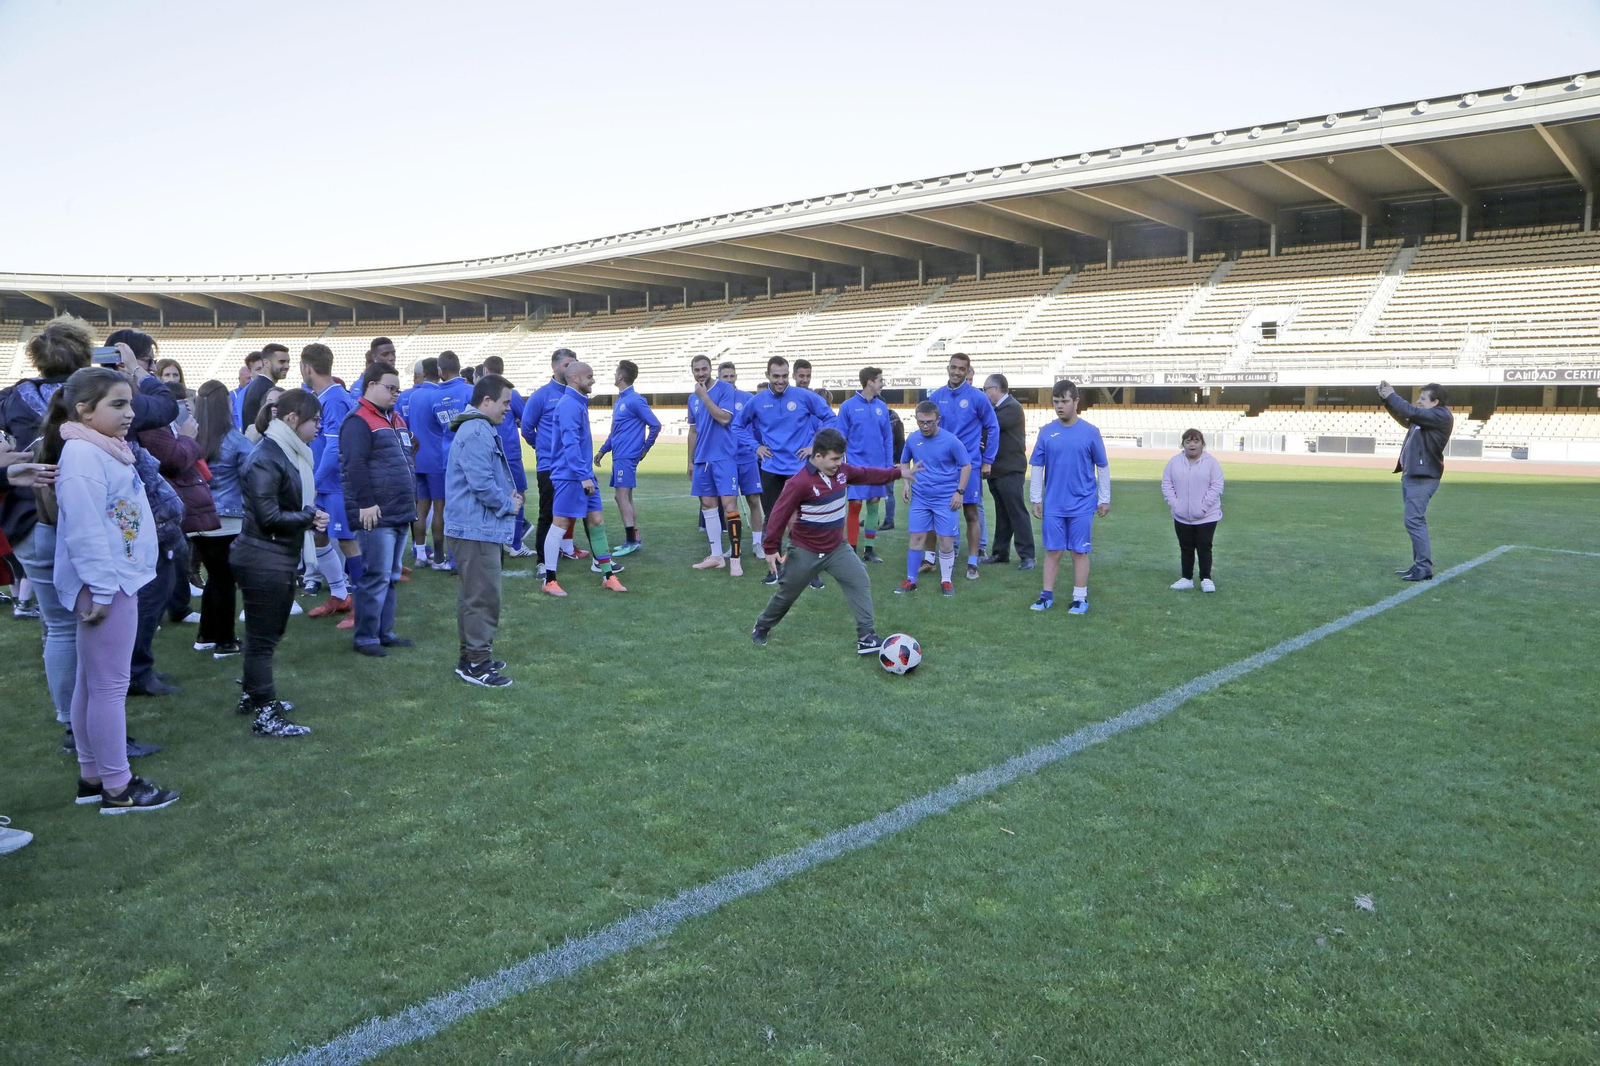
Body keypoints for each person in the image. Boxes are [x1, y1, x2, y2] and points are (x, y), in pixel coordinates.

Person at [51, 367, 180, 811]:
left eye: (130, 403)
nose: (130, 413)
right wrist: (103, 592)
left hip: (114, 579)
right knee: (109, 686)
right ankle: (118, 787)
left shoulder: (103, 450)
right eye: (117, 405)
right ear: (84, 410)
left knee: (92, 683)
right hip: (107, 585)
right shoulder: (85, 458)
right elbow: (84, 533)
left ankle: (94, 776)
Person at [752, 427, 908, 653]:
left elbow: (866, 474)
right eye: (834, 458)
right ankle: (762, 625)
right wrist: (769, 547)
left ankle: (866, 636)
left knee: (859, 579)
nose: (839, 462)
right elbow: (778, 513)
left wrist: (898, 473)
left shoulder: (843, 471)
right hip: (805, 551)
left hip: (837, 548)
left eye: (841, 458)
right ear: (817, 456)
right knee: (787, 594)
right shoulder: (799, 482)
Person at [230, 388, 324, 735]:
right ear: (292, 419)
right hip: (263, 558)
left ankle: (255, 696)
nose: (319, 427)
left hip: (270, 556)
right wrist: (308, 517)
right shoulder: (267, 457)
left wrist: (307, 515)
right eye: (314, 420)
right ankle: (266, 713)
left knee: (263, 637)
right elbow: (269, 515)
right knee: (263, 640)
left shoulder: (283, 452)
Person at [732, 355, 836, 586]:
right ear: (767, 375)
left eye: (784, 376)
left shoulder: (804, 396)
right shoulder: (757, 401)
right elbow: (738, 425)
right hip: (771, 468)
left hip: (799, 469)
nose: (780, 381)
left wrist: (815, 447)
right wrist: (755, 446)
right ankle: (774, 569)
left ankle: (811, 572)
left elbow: (831, 418)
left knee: (805, 520)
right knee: (774, 519)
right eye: (776, 376)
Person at [444, 374, 520, 686]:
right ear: (486, 401)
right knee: (483, 597)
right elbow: (482, 484)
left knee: (474, 596)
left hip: (474, 527)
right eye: (504, 403)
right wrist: (508, 504)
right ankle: (477, 663)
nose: (507, 410)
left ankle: (471, 657)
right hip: (475, 529)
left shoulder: (477, 427)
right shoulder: (476, 430)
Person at [340, 362, 418, 657]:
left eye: (398, 389)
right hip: (377, 512)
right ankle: (366, 637)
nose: (396, 393)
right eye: (390, 388)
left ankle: (383, 632)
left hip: (397, 510)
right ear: (371, 386)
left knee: (391, 576)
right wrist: (366, 503)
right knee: (375, 576)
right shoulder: (358, 420)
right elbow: (354, 464)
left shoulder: (394, 418)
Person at [543, 361, 626, 595]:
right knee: (559, 524)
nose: (593, 380)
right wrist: (582, 475)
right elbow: (569, 444)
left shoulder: (577, 402)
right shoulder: (569, 404)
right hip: (570, 477)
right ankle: (549, 580)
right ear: (575, 379)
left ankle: (608, 575)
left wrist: (588, 474)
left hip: (581, 475)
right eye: (589, 377)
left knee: (596, 521)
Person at [1029, 379, 1109, 614]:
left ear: (1076, 401)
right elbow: (1036, 466)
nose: (1059, 406)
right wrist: (1036, 499)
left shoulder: (1090, 432)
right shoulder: (1046, 432)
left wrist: (1104, 498)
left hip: (1082, 503)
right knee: (1053, 550)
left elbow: (1102, 466)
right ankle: (1046, 596)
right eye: (1056, 402)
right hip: (1054, 503)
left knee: (1079, 551)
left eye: (1064, 401)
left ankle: (1080, 598)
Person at [300, 343, 362, 621]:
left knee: (348, 542)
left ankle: (361, 606)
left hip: (335, 485)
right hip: (326, 485)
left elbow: (335, 447)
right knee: (319, 537)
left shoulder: (334, 399)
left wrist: (313, 481)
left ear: (307, 368)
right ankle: (340, 595)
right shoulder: (325, 397)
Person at [191, 380, 252, 654]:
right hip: (227, 519)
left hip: (196, 518)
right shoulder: (235, 439)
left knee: (215, 577)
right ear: (224, 405)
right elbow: (254, 472)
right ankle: (225, 641)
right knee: (225, 580)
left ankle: (206, 635)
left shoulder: (191, 437)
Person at [927, 352, 999, 581]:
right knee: (939, 512)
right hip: (943, 467)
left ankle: (973, 562)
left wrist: (988, 459)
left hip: (970, 465)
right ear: (948, 368)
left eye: (962, 369)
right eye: (954, 367)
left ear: (968, 371)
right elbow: (929, 429)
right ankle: (941, 555)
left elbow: (992, 426)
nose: (957, 372)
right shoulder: (937, 396)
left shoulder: (978, 397)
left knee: (970, 513)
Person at [521, 348, 586, 582]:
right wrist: (542, 448)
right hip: (549, 466)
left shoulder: (578, 395)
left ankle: (572, 550)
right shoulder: (541, 395)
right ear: (555, 367)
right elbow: (527, 428)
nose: (571, 369)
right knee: (547, 513)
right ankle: (542, 561)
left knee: (579, 510)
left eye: (574, 365)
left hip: (574, 467)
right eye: (567, 364)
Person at [1379, 380, 1453, 581]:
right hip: (1413, 475)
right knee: (1414, 521)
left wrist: (1393, 395)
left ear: (1435, 401)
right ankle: (1419, 565)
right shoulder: (1426, 418)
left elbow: (1412, 413)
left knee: (1413, 520)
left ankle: (1423, 568)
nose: (1418, 401)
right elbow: (1405, 418)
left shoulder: (1440, 416)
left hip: (1423, 477)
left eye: (1422, 398)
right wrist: (1386, 400)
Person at [895, 401, 970, 596]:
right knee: (917, 538)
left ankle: (946, 581)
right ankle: (911, 580)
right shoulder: (913, 439)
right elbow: (904, 460)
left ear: (938, 420)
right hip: (920, 498)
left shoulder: (951, 441)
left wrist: (959, 492)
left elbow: (966, 465)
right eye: (921, 422)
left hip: (946, 499)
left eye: (929, 422)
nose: (925, 426)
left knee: (945, 541)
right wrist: (905, 482)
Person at [411, 351, 472, 571]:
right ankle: (438, 558)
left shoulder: (409, 396)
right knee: (440, 510)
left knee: (421, 508)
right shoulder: (437, 395)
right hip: (438, 458)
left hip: (417, 458)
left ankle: (419, 554)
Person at [686, 354, 745, 575]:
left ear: (710, 369)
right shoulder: (692, 398)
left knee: (729, 505)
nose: (700, 373)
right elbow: (693, 431)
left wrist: (703, 396)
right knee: (707, 505)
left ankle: (736, 559)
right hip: (702, 459)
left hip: (724, 457)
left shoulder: (725, 390)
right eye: (696, 370)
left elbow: (724, 418)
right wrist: (690, 460)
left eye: (703, 369)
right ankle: (716, 556)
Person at [593, 358, 660, 556]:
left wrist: (645, 448)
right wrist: (603, 450)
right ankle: (634, 538)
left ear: (621, 376)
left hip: (627, 456)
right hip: (619, 455)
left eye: (616, 372)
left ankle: (631, 540)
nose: (614, 375)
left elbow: (655, 425)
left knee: (621, 496)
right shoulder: (621, 401)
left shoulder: (634, 400)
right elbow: (615, 432)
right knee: (625, 496)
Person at [836, 366, 893, 563]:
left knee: (874, 505)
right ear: (870, 382)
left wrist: (887, 466)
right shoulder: (848, 406)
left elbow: (887, 439)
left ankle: (869, 550)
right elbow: (840, 437)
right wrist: (841, 465)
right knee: (855, 506)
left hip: (877, 467)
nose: (882, 384)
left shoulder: (882, 407)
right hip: (856, 466)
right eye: (880, 380)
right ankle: (851, 550)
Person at [980, 373, 1036, 571]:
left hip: (1010, 470)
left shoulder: (1010, 408)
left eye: (985, 389)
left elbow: (989, 427)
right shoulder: (1002, 408)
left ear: (995, 389)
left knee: (1017, 512)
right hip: (998, 470)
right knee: (1002, 513)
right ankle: (1000, 552)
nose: (984, 392)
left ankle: (1028, 555)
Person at [479, 356, 533, 557]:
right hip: (509, 452)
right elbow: (526, 419)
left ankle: (497, 540)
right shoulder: (512, 393)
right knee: (518, 495)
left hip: (485, 451)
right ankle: (515, 544)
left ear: (485, 370)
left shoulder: (479, 394)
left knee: (491, 495)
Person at [1161, 429, 1224, 592]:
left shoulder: (1211, 462)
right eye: (1188, 442)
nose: (1192, 445)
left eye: (1195, 441)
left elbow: (1216, 486)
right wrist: (1175, 504)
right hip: (1181, 515)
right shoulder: (1174, 462)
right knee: (1186, 547)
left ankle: (1206, 579)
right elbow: (1167, 484)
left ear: (1202, 444)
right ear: (1183, 445)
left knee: (1204, 547)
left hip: (1207, 516)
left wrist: (1203, 507)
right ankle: (1186, 578)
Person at [718, 361, 767, 561]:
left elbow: (759, 427)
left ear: (736, 376)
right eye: (725, 376)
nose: (729, 379)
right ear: (719, 378)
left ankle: (757, 543)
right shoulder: (715, 399)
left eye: (732, 375)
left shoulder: (748, 398)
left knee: (754, 500)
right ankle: (733, 544)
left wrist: (759, 447)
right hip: (725, 459)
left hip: (747, 457)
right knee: (728, 504)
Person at [238, 342, 289, 430]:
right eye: (281, 362)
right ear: (266, 363)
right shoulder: (267, 390)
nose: (287, 366)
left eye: (288, 362)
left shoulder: (256, 385)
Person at [883, 405, 905, 530]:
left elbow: (900, 441)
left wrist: (898, 461)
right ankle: (874, 517)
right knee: (874, 493)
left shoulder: (894, 421)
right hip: (876, 460)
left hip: (889, 461)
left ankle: (889, 520)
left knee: (888, 492)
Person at [230, 353, 261, 429]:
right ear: (239, 379)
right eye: (248, 378)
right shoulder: (233, 395)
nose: (250, 381)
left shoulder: (258, 390)